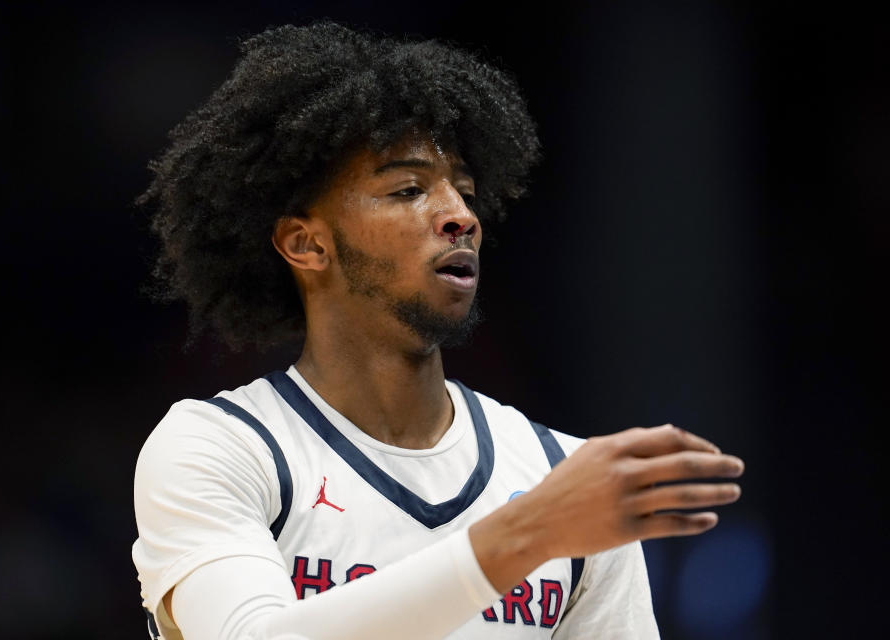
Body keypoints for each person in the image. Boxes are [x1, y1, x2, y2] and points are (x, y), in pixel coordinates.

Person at [131, 21, 744, 640]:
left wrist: (543, 522)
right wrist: (524, 534)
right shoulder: (221, 448)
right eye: (407, 190)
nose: (461, 216)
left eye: (467, 193)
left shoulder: (562, 474)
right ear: (307, 244)